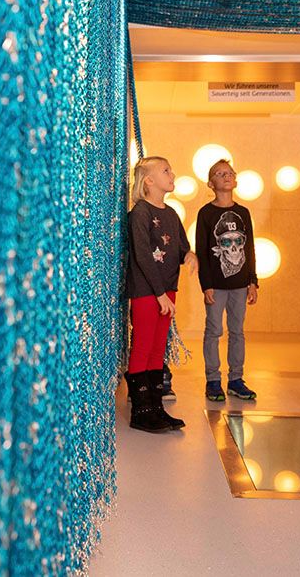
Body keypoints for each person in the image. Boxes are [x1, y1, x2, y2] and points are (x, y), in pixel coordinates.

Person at [125, 156, 198, 432]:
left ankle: (155, 407)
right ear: (149, 181)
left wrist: (190, 255)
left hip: (167, 291)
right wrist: (159, 294)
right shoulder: (140, 212)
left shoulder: (171, 213)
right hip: (147, 291)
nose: (173, 173)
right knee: (143, 345)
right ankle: (140, 411)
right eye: (166, 170)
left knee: (158, 347)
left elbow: (181, 247)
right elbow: (143, 256)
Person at [195, 159, 259, 402]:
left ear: (236, 179)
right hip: (216, 285)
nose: (226, 176)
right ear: (211, 183)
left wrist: (253, 280)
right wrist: (206, 284)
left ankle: (235, 379)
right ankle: (213, 380)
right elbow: (202, 251)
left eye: (230, 172)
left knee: (237, 331)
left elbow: (250, 247)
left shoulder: (244, 213)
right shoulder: (206, 213)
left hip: (240, 285)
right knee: (213, 330)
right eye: (220, 174)